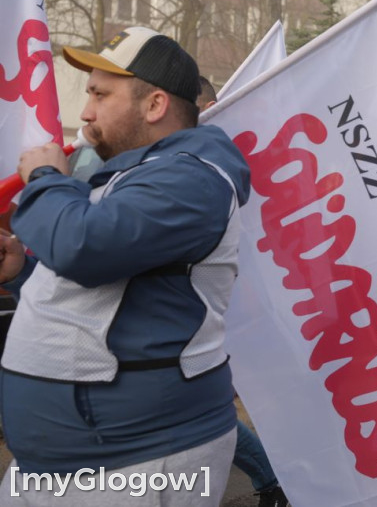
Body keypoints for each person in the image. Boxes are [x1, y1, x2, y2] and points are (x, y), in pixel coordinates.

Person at [0, 27, 250, 504]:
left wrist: (47, 178)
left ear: (154, 106)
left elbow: (84, 249)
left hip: (139, 457)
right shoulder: (136, 173)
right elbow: (109, 293)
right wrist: (23, 272)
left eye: (100, 94)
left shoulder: (192, 178)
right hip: (60, 464)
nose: (85, 111)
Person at [197, 74, 288, 507]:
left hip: (225, 304)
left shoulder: (212, 161)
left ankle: (275, 477)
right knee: (205, 415)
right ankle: (274, 479)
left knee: (206, 413)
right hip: (204, 306)